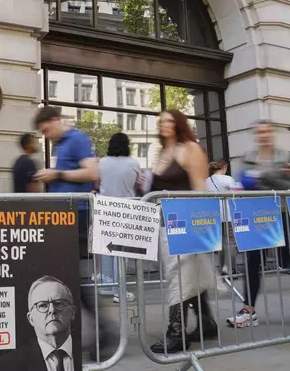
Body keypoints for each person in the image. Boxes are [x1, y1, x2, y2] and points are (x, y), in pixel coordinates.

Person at [139, 110, 219, 354]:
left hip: (185, 221)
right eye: (161, 121)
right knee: (188, 274)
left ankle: (176, 333)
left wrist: (197, 228)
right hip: (164, 223)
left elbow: (199, 188)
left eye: (169, 120)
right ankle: (206, 323)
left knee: (178, 274)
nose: (164, 124)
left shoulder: (190, 149)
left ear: (179, 124)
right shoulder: (162, 152)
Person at [31, 106, 108, 361]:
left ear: (55, 120)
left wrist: (57, 174)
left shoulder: (76, 139)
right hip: (64, 216)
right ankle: (101, 335)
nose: (47, 135)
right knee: (70, 277)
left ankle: (103, 334)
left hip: (76, 215)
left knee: (72, 279)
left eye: (46, 130)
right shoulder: (63, 144)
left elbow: (92, 173)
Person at [227, 120, 290, 328]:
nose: (263, 136)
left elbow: (286, 184)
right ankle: (249, 311)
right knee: (252, 262)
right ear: (256, 135)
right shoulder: (248, 157)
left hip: (281, 213)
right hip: (256, 215)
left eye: (267, 132)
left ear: (272, 134)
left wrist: (263, 176)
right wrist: (272, 175)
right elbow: (243, 182)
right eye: (260, 132)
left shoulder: (284, 156)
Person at [0, 276, 78, 371]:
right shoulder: (9, 365)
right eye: (42, 305)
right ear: (31, 319)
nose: (52, 310)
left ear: (73, 312)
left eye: (59, 303)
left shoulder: (87, 351)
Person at [98, 133, 139, 303]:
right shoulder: (133, 163)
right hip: (126, 208)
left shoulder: (102, 162)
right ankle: (119, 291)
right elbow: (137, 184)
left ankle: (107, 286)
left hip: (105, 208)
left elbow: (97, 182)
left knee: (107, 250)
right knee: (122, 252)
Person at [205, 160, 241, 276]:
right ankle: (228, 266)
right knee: (232, 241)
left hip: (214, 214)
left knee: (220, 242)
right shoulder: (227, 178)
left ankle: (224, 268)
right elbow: (237, 192)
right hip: (228, 213)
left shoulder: (207, 181)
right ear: (224, 167)